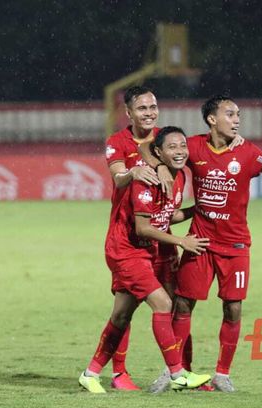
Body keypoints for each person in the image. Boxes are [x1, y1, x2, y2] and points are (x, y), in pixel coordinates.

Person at [141, 95, 262, 392]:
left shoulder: (249, 152)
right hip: (199, 241)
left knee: (233, 308)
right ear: (212, 119)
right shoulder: (194, 146)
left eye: (238, 114)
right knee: (183, 303)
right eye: (230, 113)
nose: (237, 119)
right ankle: (175, 371)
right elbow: (147, 148)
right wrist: (161, 167)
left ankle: (222, 374)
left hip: (236, 246)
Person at [79, 126, 212, 393]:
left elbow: (166, 216)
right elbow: (143, 228)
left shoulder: (180, 178)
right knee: (162, 302)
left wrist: (196, 210)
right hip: (127, 249)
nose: (180, 152)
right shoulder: (145, 179)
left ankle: (90, 373)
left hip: (144, 250)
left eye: (182, 146)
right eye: (172, 147)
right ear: (158, 152)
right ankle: (178, 374)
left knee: (121, 315)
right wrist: (181, 241)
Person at [98, 85, 162, 390]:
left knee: (170, 304)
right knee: (129, 309)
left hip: (159, 235)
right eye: (142, 108)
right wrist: (132, 173)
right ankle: (120, 372)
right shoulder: (117, 142)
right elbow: (118, 176)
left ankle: (178, 370)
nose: (149, 113)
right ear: (129, 113)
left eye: (152, 107)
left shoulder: (164, 138)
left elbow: (192, 151)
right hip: (127, 237)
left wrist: (230, 141)